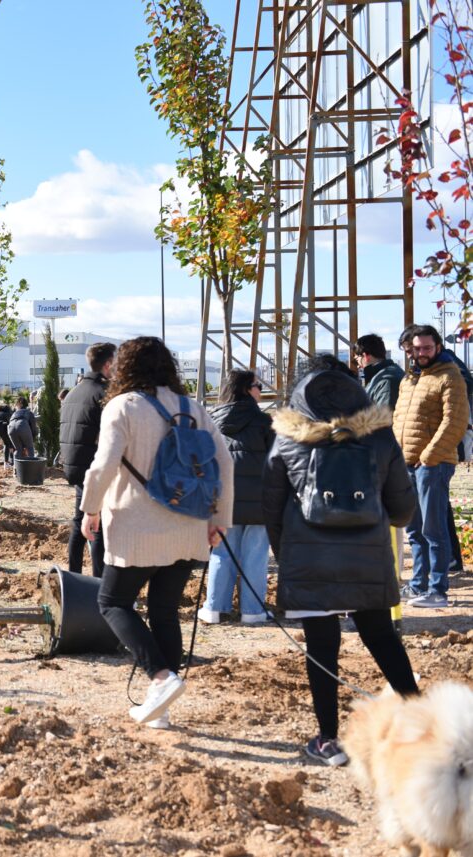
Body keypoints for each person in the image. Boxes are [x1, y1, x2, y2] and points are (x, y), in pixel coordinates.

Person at [263, 355, 419, 766]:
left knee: (322, 647)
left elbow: (271, 507)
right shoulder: (380, 438)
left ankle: (329, 740)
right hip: (368, 556)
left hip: (308, 559)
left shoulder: (287, 439)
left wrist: (288, 555)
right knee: (382, 637)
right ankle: (419, 718)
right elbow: (404, 510)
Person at [80, 336, 233, 728]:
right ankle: (159, 709)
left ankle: (162, 678)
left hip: (138, 528)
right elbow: (225, 464)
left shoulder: (123, 406)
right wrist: (220, 520)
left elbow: (103, 467)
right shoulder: (194, 407)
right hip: (190, 527)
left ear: (125, 366)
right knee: (165, 612)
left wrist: (90, 509)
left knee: (112, 602)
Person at [393, 324, 469, 608]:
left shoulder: (450, 377)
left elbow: (455, 422)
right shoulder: (410, 378)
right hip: (406, 464)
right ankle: (418, 586)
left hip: (432, 465)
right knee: (413, 530)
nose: (421, 353)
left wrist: (429, 456)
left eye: (427, 348)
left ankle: (438, 590)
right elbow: (399, 420)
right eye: (417, 348)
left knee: (433, 529)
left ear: (438, 347)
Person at [200, 369, 274, 625]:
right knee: (255, 554)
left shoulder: (212, 421)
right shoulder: (264, 423)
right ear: (246, 389)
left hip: (223, 500)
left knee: (221, 552)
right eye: (257, 386)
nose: (260, 391)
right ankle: (252, 610)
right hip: (257, 501)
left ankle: (214, 608)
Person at [59, 342, 116, 577]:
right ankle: (99, 582)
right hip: (93, 466)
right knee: (98, 525)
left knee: (79, 520)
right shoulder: (104, 394)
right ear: (108, 364)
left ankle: (72, 575)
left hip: (74, 465)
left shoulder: (74, 391)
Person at [353, 333, 404, 409]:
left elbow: (384, 418)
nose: (358, 366)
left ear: (365, 356)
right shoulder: (389, 373)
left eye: (357, 359)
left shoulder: (385, 381)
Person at [7, 394, 39, 460]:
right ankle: (31, 468)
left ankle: (16, 468)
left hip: (10, 428)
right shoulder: (29, 412)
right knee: (30, 448)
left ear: (18, 405)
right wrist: (33, 439)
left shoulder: (14, 413)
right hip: (22, 425)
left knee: (18, 450)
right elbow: (33, 429)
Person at [0, 401, 15, 466]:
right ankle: (7, 462)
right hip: (4, 427)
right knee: (8, 444)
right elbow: (11, 423)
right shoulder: (7, 413)